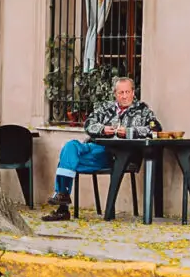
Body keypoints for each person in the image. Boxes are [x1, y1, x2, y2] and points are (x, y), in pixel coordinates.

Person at [41, 77, 159, 222]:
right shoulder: (105, 107)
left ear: (133, 92)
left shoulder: (143, 110)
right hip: (95, 148)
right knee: (70, 148)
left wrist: (129, 131)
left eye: (127, 92)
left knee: (67, 162)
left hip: (117, 155)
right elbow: (89, 124)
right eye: (120, 92)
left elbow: (155, 129)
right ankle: (62, 197)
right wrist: (103, 129)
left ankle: (62, 208)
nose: (124, 96)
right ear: (115, 94)